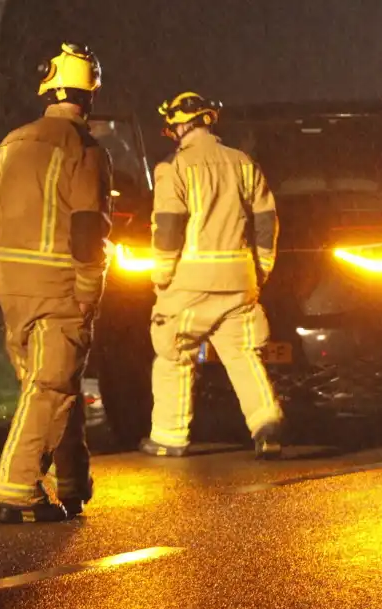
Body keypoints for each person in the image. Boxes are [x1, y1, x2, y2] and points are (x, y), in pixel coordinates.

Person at [0, 43, 112, 524]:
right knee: (51, 387)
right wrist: (88, 289)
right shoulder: (86, 150)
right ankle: (17, 490)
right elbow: (85, 230)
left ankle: (73, 480)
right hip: (58, 285)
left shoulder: (12, 142)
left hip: (13, 285)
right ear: (90, 94)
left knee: (55, 386)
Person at [142, 92, 283, 460]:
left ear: (179, 126)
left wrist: (161, 274)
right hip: (240, 280)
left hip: (191, 282)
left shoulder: (173, 167)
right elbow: (267, 219)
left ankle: (169, 436)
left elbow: (169, 226)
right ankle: (265, 421)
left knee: (174, 354)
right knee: (242, 354)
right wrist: (262, 266)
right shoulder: (242, 163)